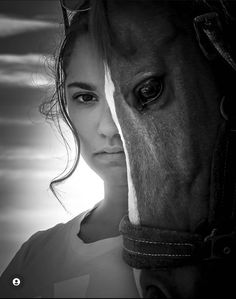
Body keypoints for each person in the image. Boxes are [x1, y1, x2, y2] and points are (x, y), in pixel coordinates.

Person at [0, 3, 140, 298]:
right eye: (86, 97)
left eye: (142, 92)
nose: (109, 126)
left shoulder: (205, 258)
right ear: (64, 104)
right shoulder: (36, 254)